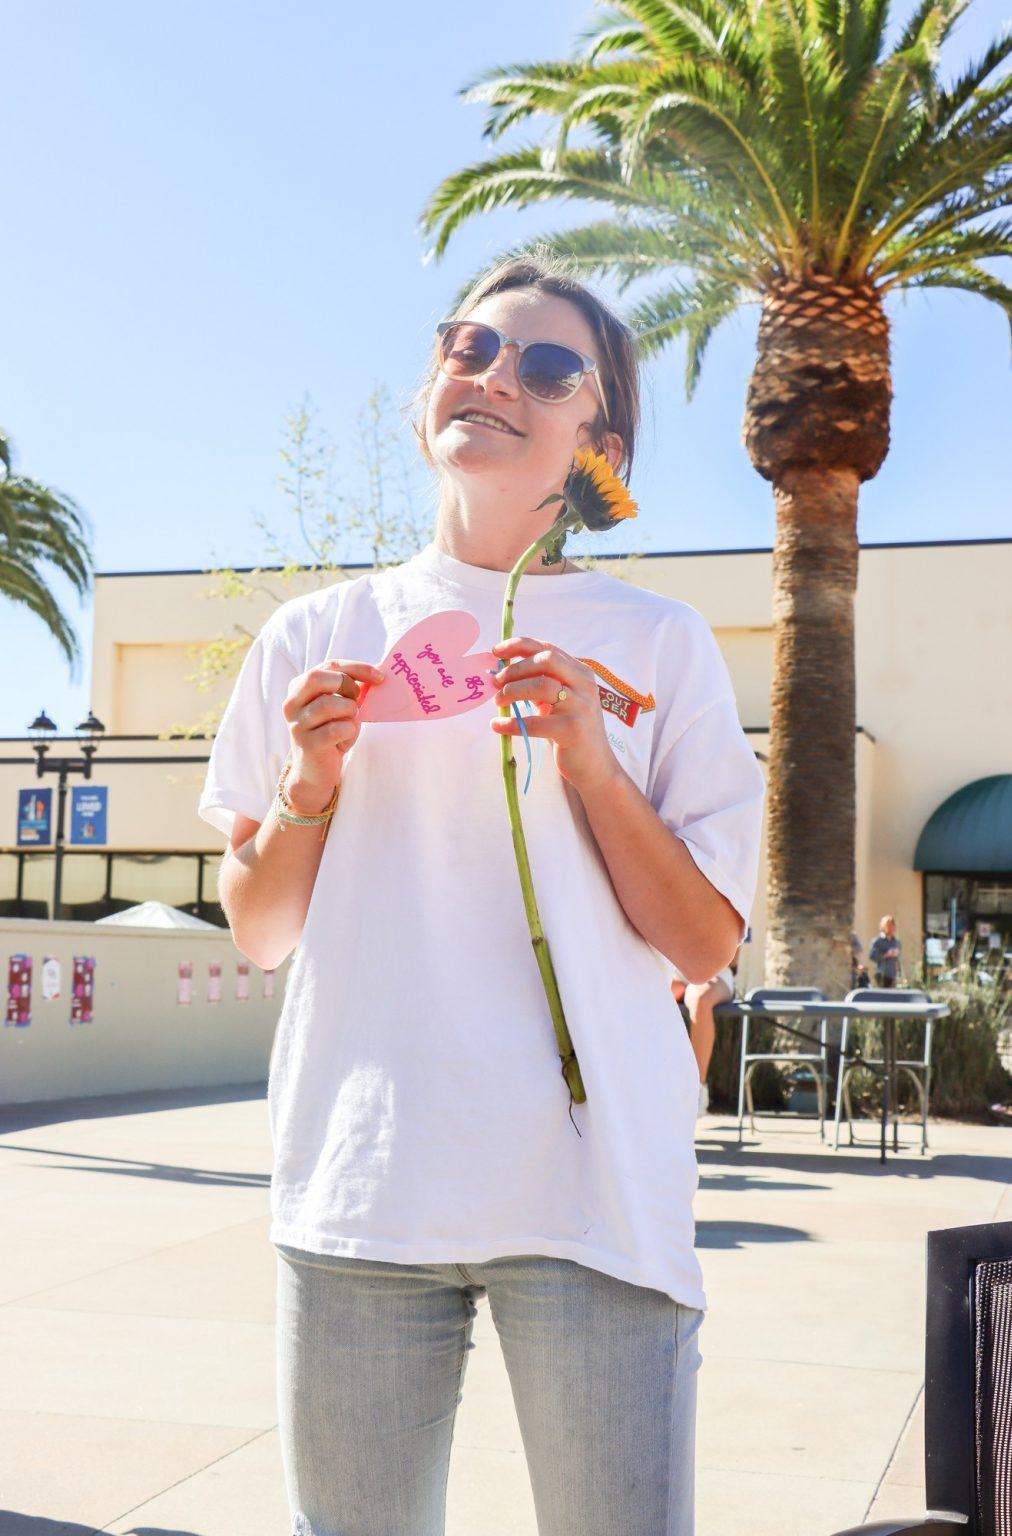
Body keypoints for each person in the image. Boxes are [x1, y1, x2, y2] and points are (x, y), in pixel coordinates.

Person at [199, 253, 765, 1536]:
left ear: (596, 442)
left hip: (594, 1189)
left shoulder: (659, 640)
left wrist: (589, 762)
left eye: (547, 366)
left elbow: (700, 935)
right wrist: (310, 779)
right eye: (469, 347)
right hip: (361, 1185)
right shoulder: (310, 635)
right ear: (426, 395)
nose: (496, 376)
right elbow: (261, 925)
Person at [671, 953, 740, 1115]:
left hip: (715, 973)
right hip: (673, 973)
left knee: (700, 1000)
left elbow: (732, 958)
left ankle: (697, 1091)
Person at [869, 914, 902, 988]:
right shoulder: (877, 941)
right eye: (888, 925)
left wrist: (899, 973)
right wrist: (886, 955)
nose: (890, 928)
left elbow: (898, 960)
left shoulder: (896, 942)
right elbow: (872, 956)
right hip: (882, 974)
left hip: (893, 975)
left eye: (892, 925)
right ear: (883, 926)